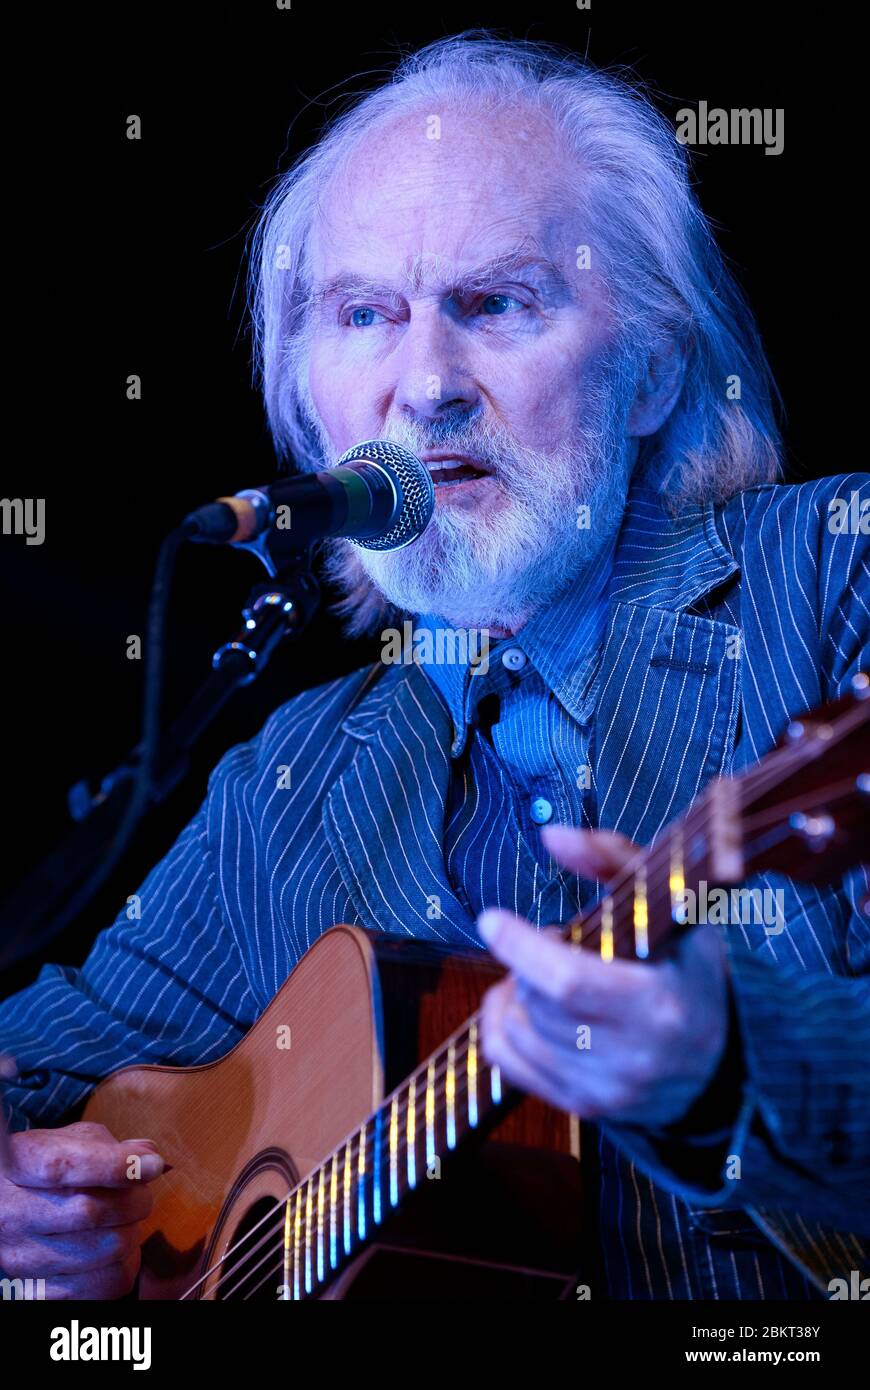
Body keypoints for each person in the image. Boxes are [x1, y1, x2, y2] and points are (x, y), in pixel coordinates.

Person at [1, 34, 868, 1301]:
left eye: (496, 303)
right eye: (366, 316)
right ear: (309, 401)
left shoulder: (835, 586)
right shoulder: (295, 773)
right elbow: (44, 1056)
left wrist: (732, 1058)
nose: (425, 386)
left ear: (654, 370)